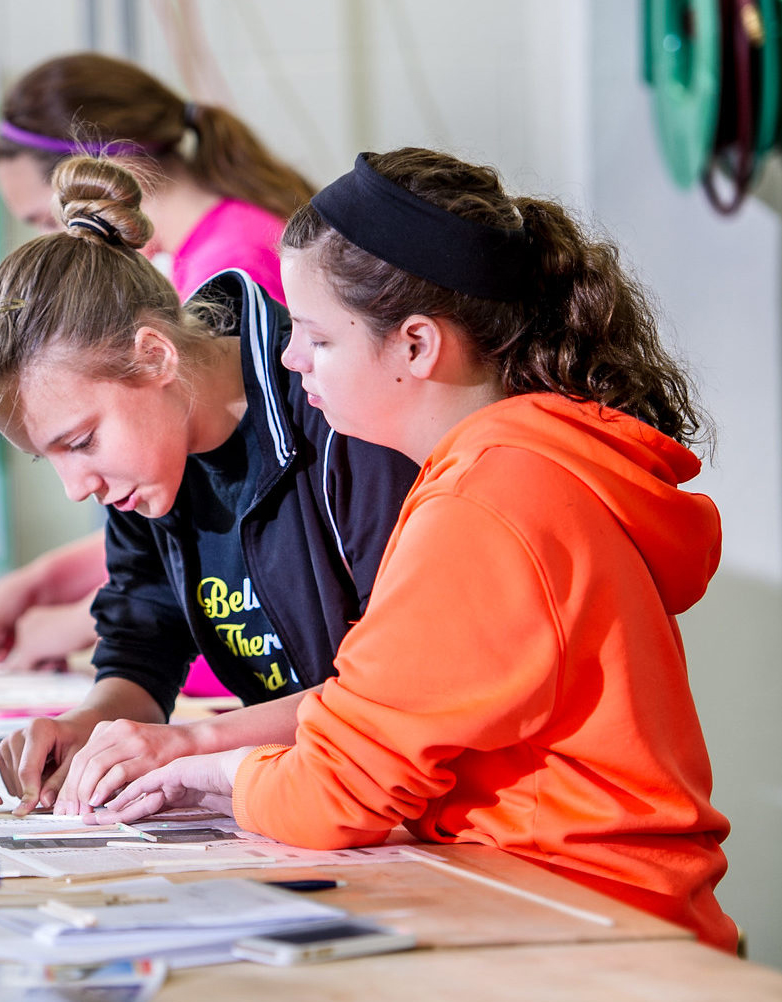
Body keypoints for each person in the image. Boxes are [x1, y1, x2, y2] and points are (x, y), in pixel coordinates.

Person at [87, 148, 737, 951]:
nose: (289, 361)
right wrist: (201, 746)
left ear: (417, 346)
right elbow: (372, 714)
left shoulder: (487, 499)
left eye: (316, 337)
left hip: (589, 926)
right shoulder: (509, 467)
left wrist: (209, 773)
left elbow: (331, 793)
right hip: (578, 906)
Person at [0, 154, 418, 815]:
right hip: (317, 794)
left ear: (155, 356)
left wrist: (190, 741)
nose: (75, 486)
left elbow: (392, 687)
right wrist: (88, 725)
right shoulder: (152, 465)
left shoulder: (337, 417)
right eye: (52, 458)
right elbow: (141, 644)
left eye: (82, 441)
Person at [0, 51, 317, 676]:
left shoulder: (227, 273)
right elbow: (187, 513)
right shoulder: (201, 262)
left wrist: (77, 625)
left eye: (49, 220)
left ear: (102, 176)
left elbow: (247, 537)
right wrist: (46, 582)